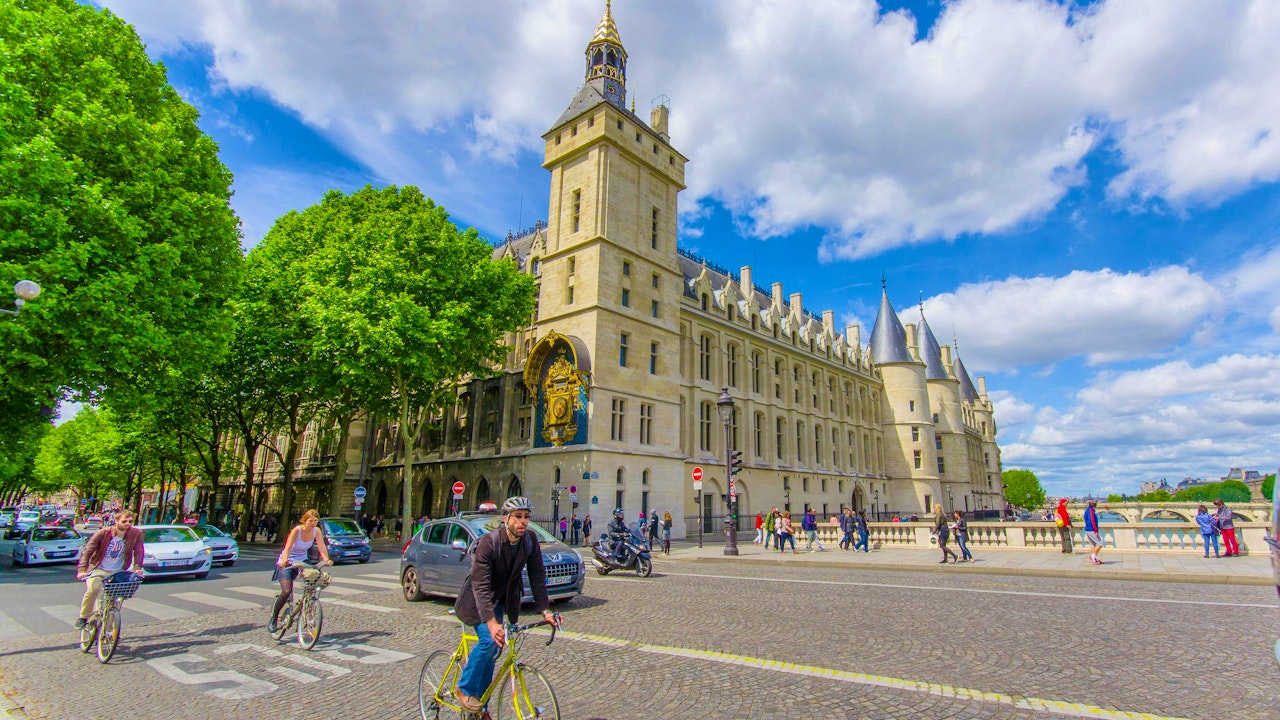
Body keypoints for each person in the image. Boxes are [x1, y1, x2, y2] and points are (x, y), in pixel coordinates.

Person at [453, 496, 559, 714]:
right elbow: (480, 586)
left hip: (502, 601)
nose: (522, 522)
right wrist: (491, 623)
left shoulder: (529, 540)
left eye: (526, 517)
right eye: (518, 517)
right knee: (488, 640)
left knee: (494, 652)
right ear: (506, 519)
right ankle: (464, 689)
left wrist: (545, 610)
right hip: (476, 602)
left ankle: (482, 709)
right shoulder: (488, 543)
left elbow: (537, 575)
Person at [75, 509, 144, 628]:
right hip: (98, 568)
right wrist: (82, 569)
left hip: (118, 571)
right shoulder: (103, 533)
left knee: (114, 601)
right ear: (116, 521)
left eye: (130, 521)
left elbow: (139, 551)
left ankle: (107, 632)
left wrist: (137, 567)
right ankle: (83, 617)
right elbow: (88, 550)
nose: (127, 524)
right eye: (124, 521)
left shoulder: (136, 534)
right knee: (93, 589)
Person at [269, 509, 332, 633]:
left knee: (314, 578)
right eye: (310, 521)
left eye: (315, 521)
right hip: (288, 561)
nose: (313, 523)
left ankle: (307, 603)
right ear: (305, 520)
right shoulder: (296, 531)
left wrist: (326, 559)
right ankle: (273, 618)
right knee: (286, 591)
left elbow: (321, 547)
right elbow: (287, 547)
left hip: (302, 560)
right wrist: (285, 560)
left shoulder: (316, 531)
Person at [1082, 500, 1103, 565]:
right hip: (1091, 529)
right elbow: (1093, 521)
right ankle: (1093, 556)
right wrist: (1096, 530)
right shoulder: (1091, 511)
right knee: (1100, 544)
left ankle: (1095, 558)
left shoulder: (1087, 510)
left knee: (1093, 545)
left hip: (1087, 529)